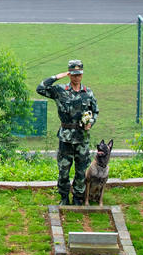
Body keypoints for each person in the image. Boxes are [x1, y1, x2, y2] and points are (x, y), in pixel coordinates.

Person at [37, 60, 99, 206]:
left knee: (81, 170)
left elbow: (95, 111)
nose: (76, 77)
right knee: (64, 169)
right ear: (69, 74)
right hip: (66, 137)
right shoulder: (60, 90)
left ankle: (78, 196)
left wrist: (91, 122)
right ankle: (64, 197)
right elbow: (40, 88)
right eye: (73, 74)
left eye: (79, 74)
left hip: (82, 138)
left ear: (82, 74)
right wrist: (57, 76)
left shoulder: (88, 92)